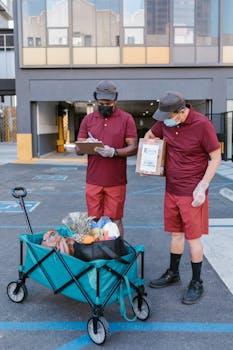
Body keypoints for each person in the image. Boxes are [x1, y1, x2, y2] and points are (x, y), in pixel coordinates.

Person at [144, 91, 221, 304]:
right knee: (175, 234)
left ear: (181, 112)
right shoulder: (166, 123)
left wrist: (203, 185)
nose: (164, 121)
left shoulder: (202, 125)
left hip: (192, 192)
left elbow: (216, 157)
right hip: (171, 189)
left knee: (193, 238)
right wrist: (149, 162)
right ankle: (173, 273)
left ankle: (197, 282)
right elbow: (149, 137)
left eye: (168, 117)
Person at [75, 80, 138, 236]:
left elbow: (134, 147)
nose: (104, 106)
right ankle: (96, 252)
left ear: (115, 100)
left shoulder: (126, 118)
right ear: (96, 99)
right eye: (101, 103)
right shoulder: (88, 120)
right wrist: (86, 145)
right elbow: (78, 149)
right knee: (94, 220)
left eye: (108, 103)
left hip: (116, 181)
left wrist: (114, 152)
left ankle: (117, 254)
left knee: (115, 220)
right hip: (93, 180)